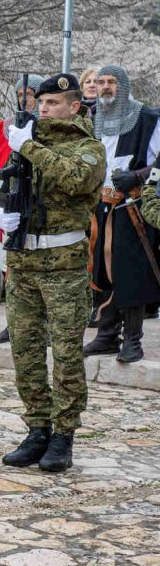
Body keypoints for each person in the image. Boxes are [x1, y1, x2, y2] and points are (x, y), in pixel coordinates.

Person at [0, 73, 104, 473]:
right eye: (41, 103)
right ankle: (37, 427)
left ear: (75, 106)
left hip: (64, 267)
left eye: (53, 103)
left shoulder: (88, 147)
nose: (44, 109)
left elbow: (77, 179)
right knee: (26, 350)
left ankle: (64, 434)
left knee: (67, 352)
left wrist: (30, 147)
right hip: (22, 264)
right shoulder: (23, 145)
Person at [83, 65, 160, 362]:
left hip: (132, 207)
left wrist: (139, 177)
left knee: (130, 273)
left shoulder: (146, 119)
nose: (104, 87)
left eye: (111, 82)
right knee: (101, 272)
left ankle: (132, 340)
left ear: (123, 85)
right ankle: (105, 335)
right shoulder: (95, 120)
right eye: (101, 82)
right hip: (101, 205)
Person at [0, 76, 43, 345]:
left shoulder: (45, 129)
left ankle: (43, 325)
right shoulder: (1, 128)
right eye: (20, 93)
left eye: (30, 93)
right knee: (6, 265)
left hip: (34, 209)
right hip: (5, 205)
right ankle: (13, 322)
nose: (24, 99)